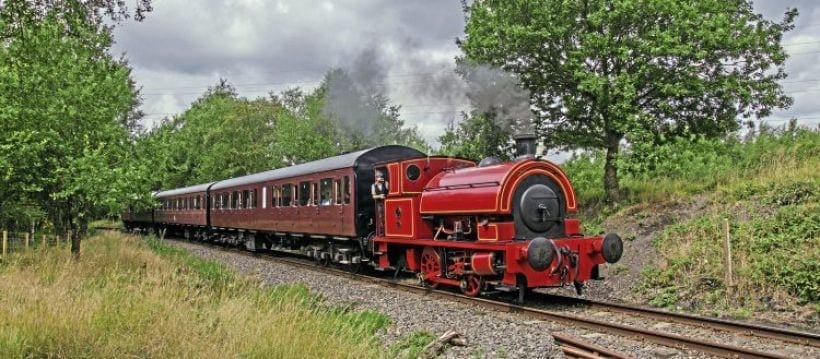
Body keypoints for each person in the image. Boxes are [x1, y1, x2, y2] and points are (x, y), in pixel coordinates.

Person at [371, 170, 388, 235]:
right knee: (380, 217)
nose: (379, 177)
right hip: (379, 203)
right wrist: (379, 196)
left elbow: (389, 191)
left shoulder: (385, 183)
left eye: (380, 176)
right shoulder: (373, 186)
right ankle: (381, 232)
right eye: (377, 176)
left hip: (386, 202)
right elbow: (373, 196)